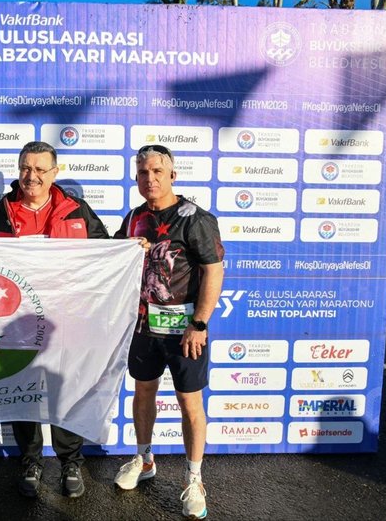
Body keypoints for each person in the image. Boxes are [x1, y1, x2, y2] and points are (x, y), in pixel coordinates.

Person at [0, 140, 109, 499]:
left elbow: (106, 254)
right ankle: (30, 462)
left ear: (54, 172)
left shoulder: (77, 210)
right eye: (25, 168)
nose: (31, 176)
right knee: (24, 393)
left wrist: (131, 249)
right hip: (17, 323)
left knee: (66, 391)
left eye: (39, 169)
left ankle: (70, 462)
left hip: (68, 322)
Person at [112, 144, 224, 520]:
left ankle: (194, 479)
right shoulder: (134, 217)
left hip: (184, 331)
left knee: (189, 403)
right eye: (143, 172)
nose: (150, 178)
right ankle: (144, 459)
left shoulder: (195, 218)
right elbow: (115, 256)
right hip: (144, 327)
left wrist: (200, 323)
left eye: (158, 171)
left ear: (172, 175)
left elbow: (213, 270)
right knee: (143, 392)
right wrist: (127, 248)